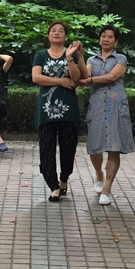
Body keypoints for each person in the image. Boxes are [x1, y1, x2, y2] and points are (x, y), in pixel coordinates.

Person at [79, 25, 134, 206]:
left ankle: (107, 187)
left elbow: (112, 77)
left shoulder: (121, 58)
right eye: (103, 36)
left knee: (113, 147)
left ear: (116, 41)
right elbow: (85, 74)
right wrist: (79, 57)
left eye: (110, 37)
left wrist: (91, 80)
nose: (106, 39)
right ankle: (98, 174)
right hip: (96, 106)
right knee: (94, 147)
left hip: (115, 105)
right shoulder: (92, 59)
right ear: (100, 39)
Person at [32, 21, 84, 202]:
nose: (56, 33)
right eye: (53, 31)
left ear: (65, 36)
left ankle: (64, 179)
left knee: (68, 147)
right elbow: (36, 77)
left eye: (60, 31)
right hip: (46, 110)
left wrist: (70, 57)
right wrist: (60, 81)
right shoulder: (40, 55)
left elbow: (76, 78)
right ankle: (53, 186)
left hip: (68, 109)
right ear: (48, 35)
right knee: (46, 148)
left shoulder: (71, 53)